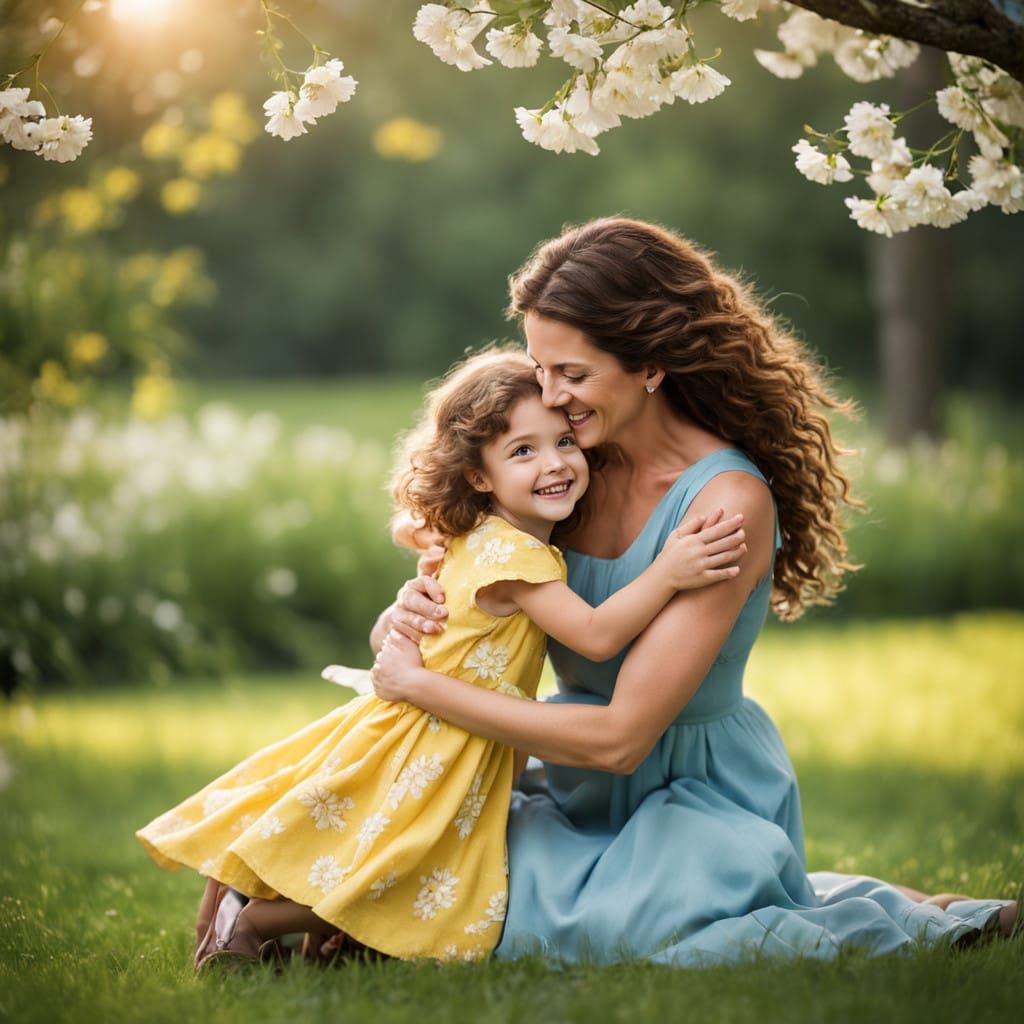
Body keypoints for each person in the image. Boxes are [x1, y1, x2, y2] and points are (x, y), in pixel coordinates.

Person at [371, 216, 1018, 965]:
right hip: (569, 774)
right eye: (540, 368)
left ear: (650, 364)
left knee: (604, 935)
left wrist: (419, 688)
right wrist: (405, 617)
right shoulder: (564, 470)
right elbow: (470, 579)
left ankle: (928, 924)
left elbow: (621, 737)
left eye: (572, 375)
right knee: (444, 889)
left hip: (692, 788)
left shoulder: (724, 502)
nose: (549, 396)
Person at [136, 348, 747, 969]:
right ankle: (257, 918)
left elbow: (431, 572)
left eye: (564, 441)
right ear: (479, 477)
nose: (556, 463)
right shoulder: (520, 559)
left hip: (441, 732)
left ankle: (315, 934)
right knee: (411, 863)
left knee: (390, 854)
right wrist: (669, 572)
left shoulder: (482, 536)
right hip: (442, 740)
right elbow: (594, 635)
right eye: (523, 452)